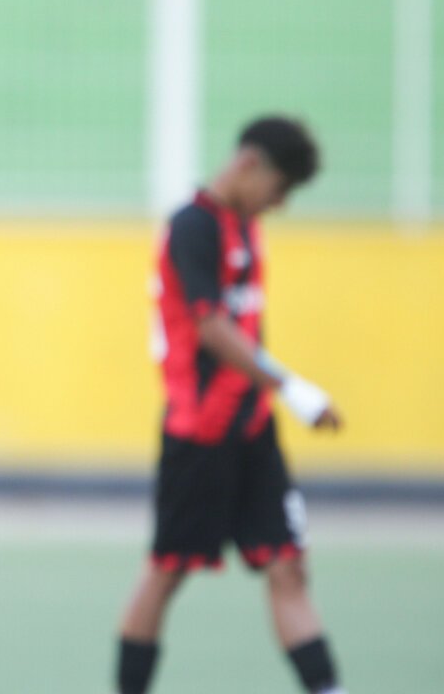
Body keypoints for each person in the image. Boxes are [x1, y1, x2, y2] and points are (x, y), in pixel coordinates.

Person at [114, 117, 345, 694]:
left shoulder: (244, 225)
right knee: (167, 572)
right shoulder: (193, 227)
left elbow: (244, 327)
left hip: (253, 430)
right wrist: (292, 388)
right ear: (249, 165)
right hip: (200, 434)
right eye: (280, 188)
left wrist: (271, 394)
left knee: (289, 566)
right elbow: (211, 327)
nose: (280, 203)